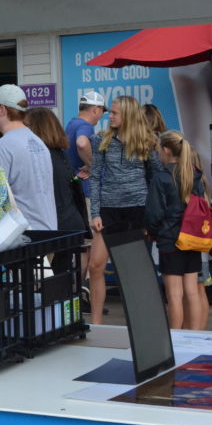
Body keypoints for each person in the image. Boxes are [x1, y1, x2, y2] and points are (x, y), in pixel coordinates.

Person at [87, 95, 160, 325]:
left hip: (138, 209)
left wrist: (152, 215)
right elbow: (95, 176)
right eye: (110, 113)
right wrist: (95, 212)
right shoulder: (101, 141)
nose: (110, 116)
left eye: (115, 113)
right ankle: (96, 322)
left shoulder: (148, 140)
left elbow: (156, 176)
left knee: (134, 270)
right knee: (95, 264)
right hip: (109, 208)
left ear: (127, 115)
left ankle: (139, 322)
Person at [145, 131, 208, 330]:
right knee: (192, 291)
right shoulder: (193, 174)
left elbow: (154, 213)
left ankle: (175, 337)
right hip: (193, 238)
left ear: (165, 150)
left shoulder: (161, 178)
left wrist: (153, 231)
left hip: (170, 240)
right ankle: (195, 335)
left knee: (174, 295)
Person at [0, 85, 57, 230]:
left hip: (22, 238)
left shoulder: (1, 147)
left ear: (3, 110)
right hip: (48, 232)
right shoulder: (38, 141)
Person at [25, 107, 88, 234]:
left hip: (57, 228)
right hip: (71, 222)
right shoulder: (60, 155)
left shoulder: (42, 157)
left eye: (26, 127)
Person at [65, 90, 107, 203]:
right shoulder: (85, 125)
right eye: (102, 111)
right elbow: (82, 143)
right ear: (95, 110)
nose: (102, 115)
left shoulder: (71, 124)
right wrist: (93, 167)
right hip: (88, 191)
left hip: (77, 189)